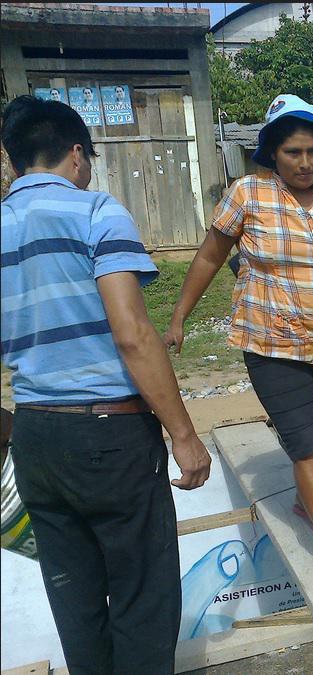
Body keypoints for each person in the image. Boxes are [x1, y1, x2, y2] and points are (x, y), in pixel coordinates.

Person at [1, 95, 211, 673]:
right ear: (76, 155)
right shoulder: (95, 211)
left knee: (76, 602)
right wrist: (183, 434)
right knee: (144, 601)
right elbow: (134, 334)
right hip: (111, 436)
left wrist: (12, 429)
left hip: (37, 438)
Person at [163, 94, 313, 593]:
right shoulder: (247, 195)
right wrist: (180, 316)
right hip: (271, 343)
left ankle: (305, 496)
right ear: (273, 151)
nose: (305, 162)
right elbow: (209, 258)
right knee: (309, 445)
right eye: (293, 152)